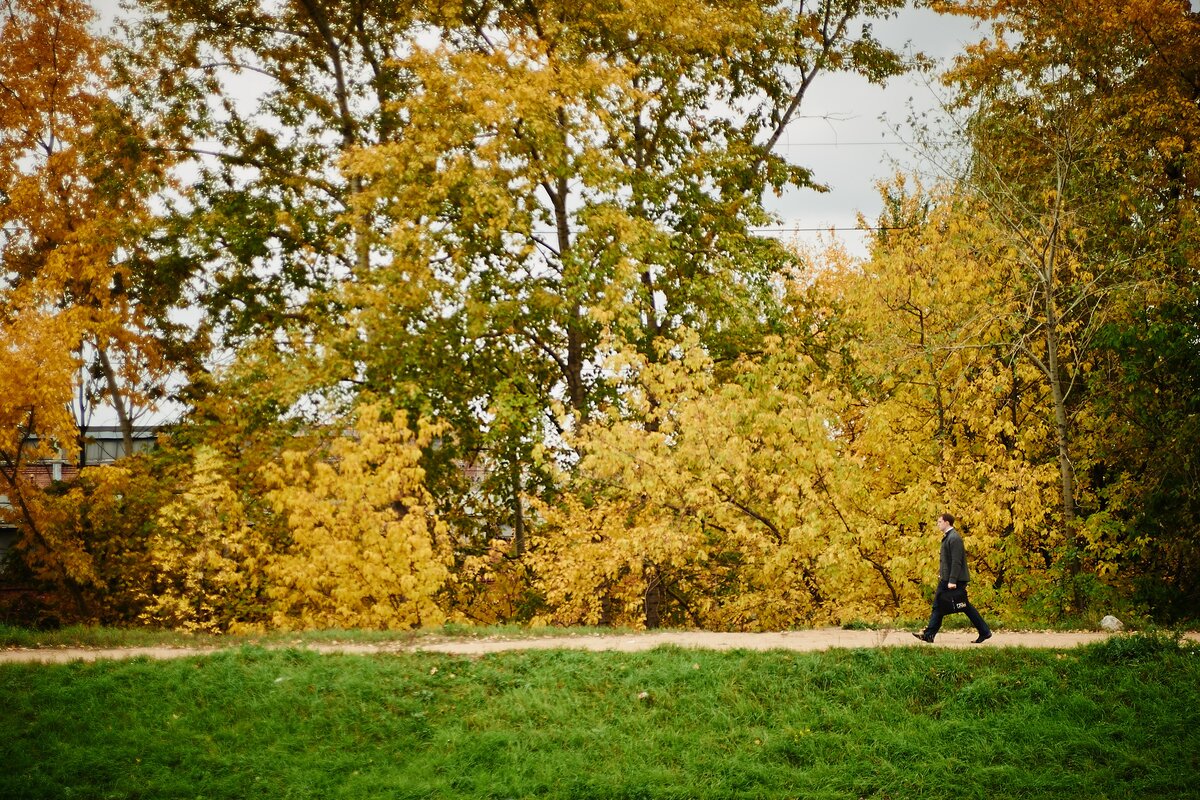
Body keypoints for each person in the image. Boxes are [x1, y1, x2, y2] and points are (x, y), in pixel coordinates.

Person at [913, 513, 992, 644]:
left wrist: (952, 580)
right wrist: (942, 574)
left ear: (947, 522)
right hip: (948, 578)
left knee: (947, 605)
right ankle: (929, 634)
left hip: (953, 580)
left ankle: (929, 634)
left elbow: (956, 561)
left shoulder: (954, 538)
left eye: (939, 522)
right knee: (946, 605)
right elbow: (947, 561)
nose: (938, 524)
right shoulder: (949, 537)